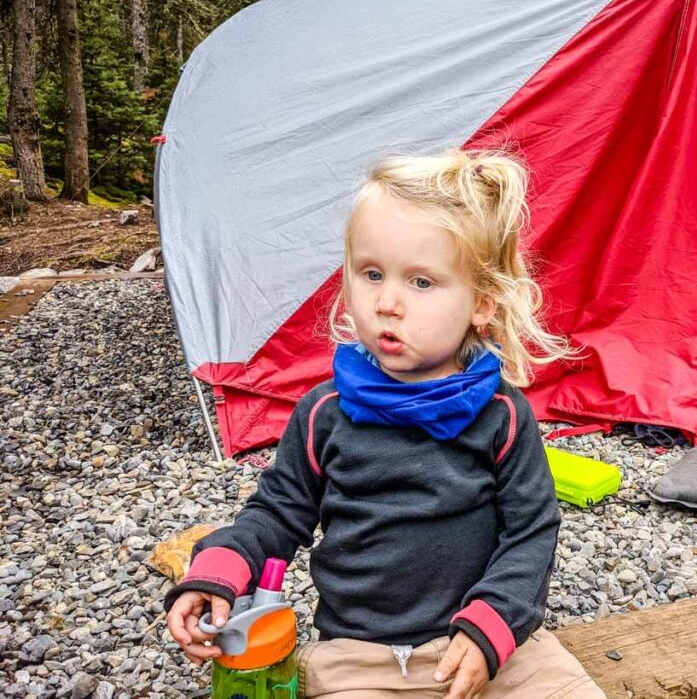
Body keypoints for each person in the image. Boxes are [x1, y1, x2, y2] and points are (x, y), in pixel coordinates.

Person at [164, 150, 606, 699]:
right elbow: (279, 513)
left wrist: (495, 623)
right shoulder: (326, 413)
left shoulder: (504, 416)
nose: (388, 303)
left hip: (489, 644)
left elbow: (531, 532)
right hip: (359, 655)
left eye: (421, 283)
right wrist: (222, 566)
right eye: (371, 274)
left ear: (481, 305)